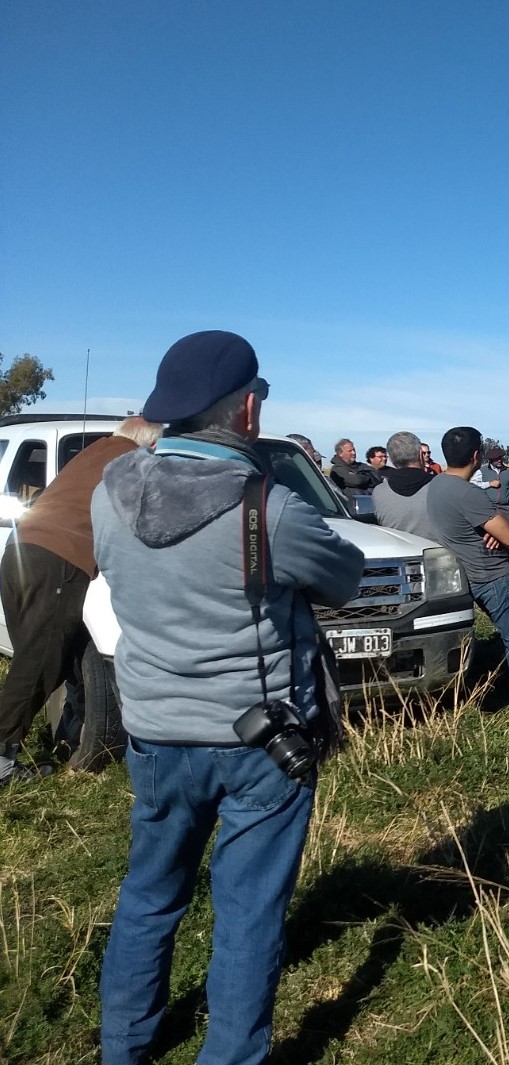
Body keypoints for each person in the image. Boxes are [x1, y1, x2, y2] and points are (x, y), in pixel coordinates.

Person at [93, 331, 364, 1065]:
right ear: (247, 409)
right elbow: (343, 573)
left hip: (151, 729)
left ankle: (124, 1047)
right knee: (247, 912)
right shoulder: (268, 509)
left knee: (149, 895)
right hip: (258, 742)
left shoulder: (107, 492)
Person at [0, 416, 163, 786]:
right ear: (150, 444)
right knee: (39, 664)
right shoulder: (132, 462)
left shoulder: (95, 452)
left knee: (57, 659)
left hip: (21, 551)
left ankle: (69, 740)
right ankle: (2, 762)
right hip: (57, 560)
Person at [427, 426, 509, 722]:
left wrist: (486, 528)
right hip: (493, 576)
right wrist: (494, 529)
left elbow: (476, 528)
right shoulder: (469, 494)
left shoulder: (436, 486)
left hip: (466, 573)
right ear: (476, 456)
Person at [371, 431, 440, 542]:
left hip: (397, 553)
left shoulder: (379, 492)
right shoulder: (440, 487)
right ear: (420, 455)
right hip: (440, 554)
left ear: (392, 460)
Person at [472, 445, 509, 518]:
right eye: (496, 459)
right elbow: (473, 485)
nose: (499, 460)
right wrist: (489, 484)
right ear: (491, 460)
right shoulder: (482, 471)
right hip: (488, 508)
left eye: (501, 458)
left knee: (504, 529)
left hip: (505, 509)